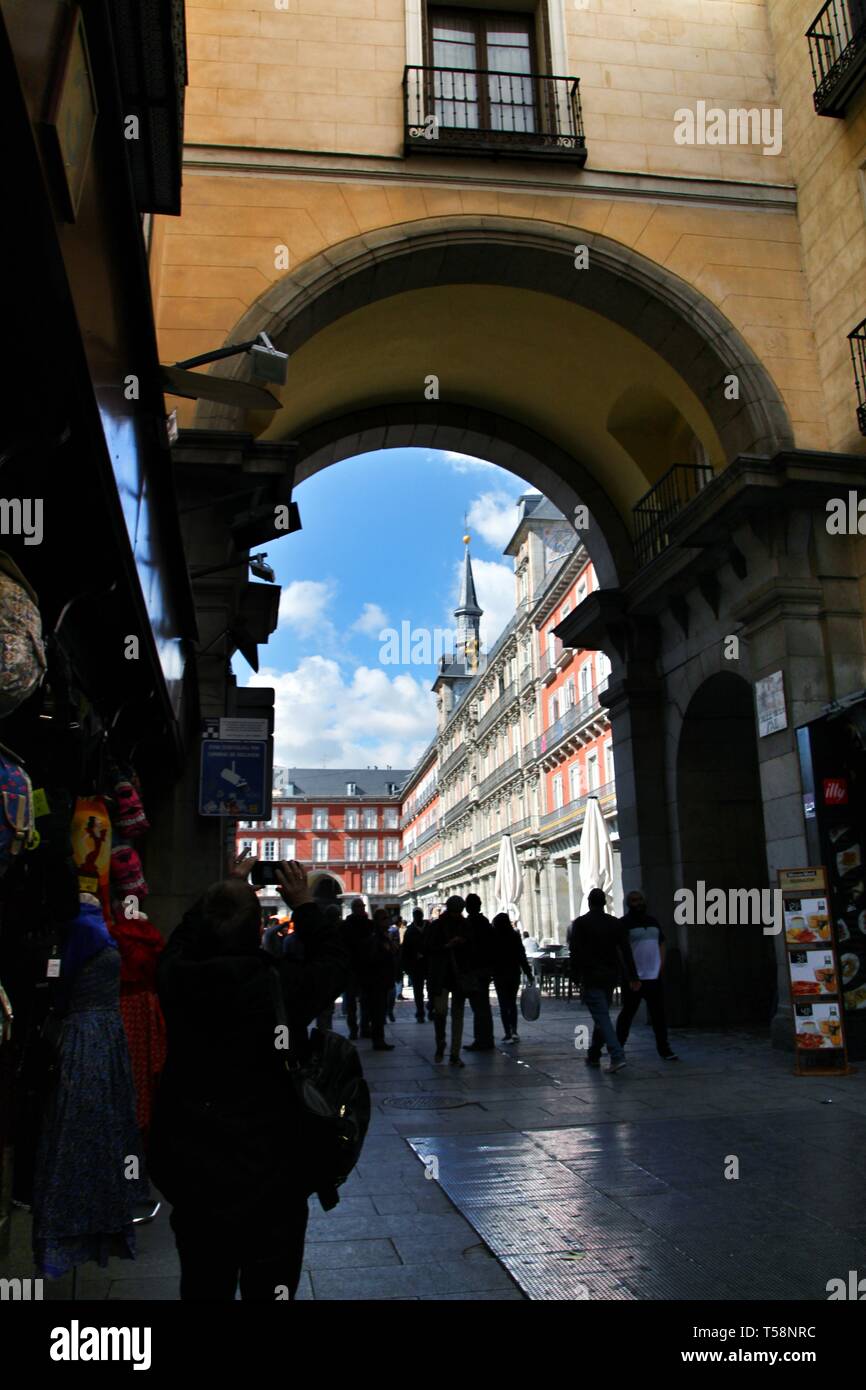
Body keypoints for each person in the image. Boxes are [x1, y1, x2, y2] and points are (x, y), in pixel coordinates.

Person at [148, 857, 347, 1301]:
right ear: (258, 926)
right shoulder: (278, 984)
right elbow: (334, 963)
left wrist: (225, 891)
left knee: (202, 1286)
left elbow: (179, 942)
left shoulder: (176, 977)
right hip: (271, 1173)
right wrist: (304, 906)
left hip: (196, 1170)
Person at [568, 887, 639, 1074]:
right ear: (605, 903)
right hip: (611, 975)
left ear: (589, 903)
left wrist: (574, 977)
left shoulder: (581, 924)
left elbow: (574, 952)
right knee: (602, 1014)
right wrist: (633, 975)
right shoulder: (614, 923)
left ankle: (617, 1055)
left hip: (591, 976)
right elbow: (626, 951)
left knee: (602, 1017)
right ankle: (593, 1055)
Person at [616, 890, 678, 1061]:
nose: (638, 903)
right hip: (634, 978)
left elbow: (662, 942)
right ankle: (618, 1049)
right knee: (627, 1014)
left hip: (653, 977)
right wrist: (629, 974)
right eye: (634, 900)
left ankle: (664, 1049)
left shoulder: (653, 922)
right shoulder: (624, 923)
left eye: (640, 900)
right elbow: (620, 950)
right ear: (629, 903)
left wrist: (660, 966)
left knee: (659, 1015)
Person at [423, 896, 471, 1067]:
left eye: (460, 911)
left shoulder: (465, 926)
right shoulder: (436, 926)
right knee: (440, 1012)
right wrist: (447, 946)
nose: (458, 914)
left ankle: (454, 1054)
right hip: (441, 975)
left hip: (458, 975)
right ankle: (440, 1042)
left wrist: (463, 943)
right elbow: (427, 949)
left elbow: (471, 948)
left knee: (458, 1015)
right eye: (455, 911)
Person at [491, 912, 533, 1043]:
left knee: (503, 1004)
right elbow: (521, 956)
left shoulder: (494, 937)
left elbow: (490, 957)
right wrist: (528, 973)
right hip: (513, 973)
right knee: (512, 1003)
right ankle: (514, 1030)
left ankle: (507, 1032)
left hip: (499, 974)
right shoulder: (514, 936)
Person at [463, 893, 495, 1051]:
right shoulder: (485, 923)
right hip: (484, 969)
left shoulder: (469, 924)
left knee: (478, 1006)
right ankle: (487, 1038)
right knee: (483, 1006)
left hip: (474, 969)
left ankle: (481, 1040)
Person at [341, 897, 373, 1040]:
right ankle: (355, 1029)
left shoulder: (347, 925)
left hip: (361, 967)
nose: (362, 909)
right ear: (354, 908)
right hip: (355, 967)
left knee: (363, 1001)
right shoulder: (352, 925)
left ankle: (362, 1028)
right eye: (359, 907)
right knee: (354, 1002)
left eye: (362, 906)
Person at [401, 908, 428, 1022]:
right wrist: (407, 965)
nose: (417, 917)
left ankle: (430, 1008)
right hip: (415, 965)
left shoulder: (428, 928)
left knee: (432, 989)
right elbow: (405, 949)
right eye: (415, 915)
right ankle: (420, 1011)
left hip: (428, 962)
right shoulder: (410, 931)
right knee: (418, 990)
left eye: (419, 914)